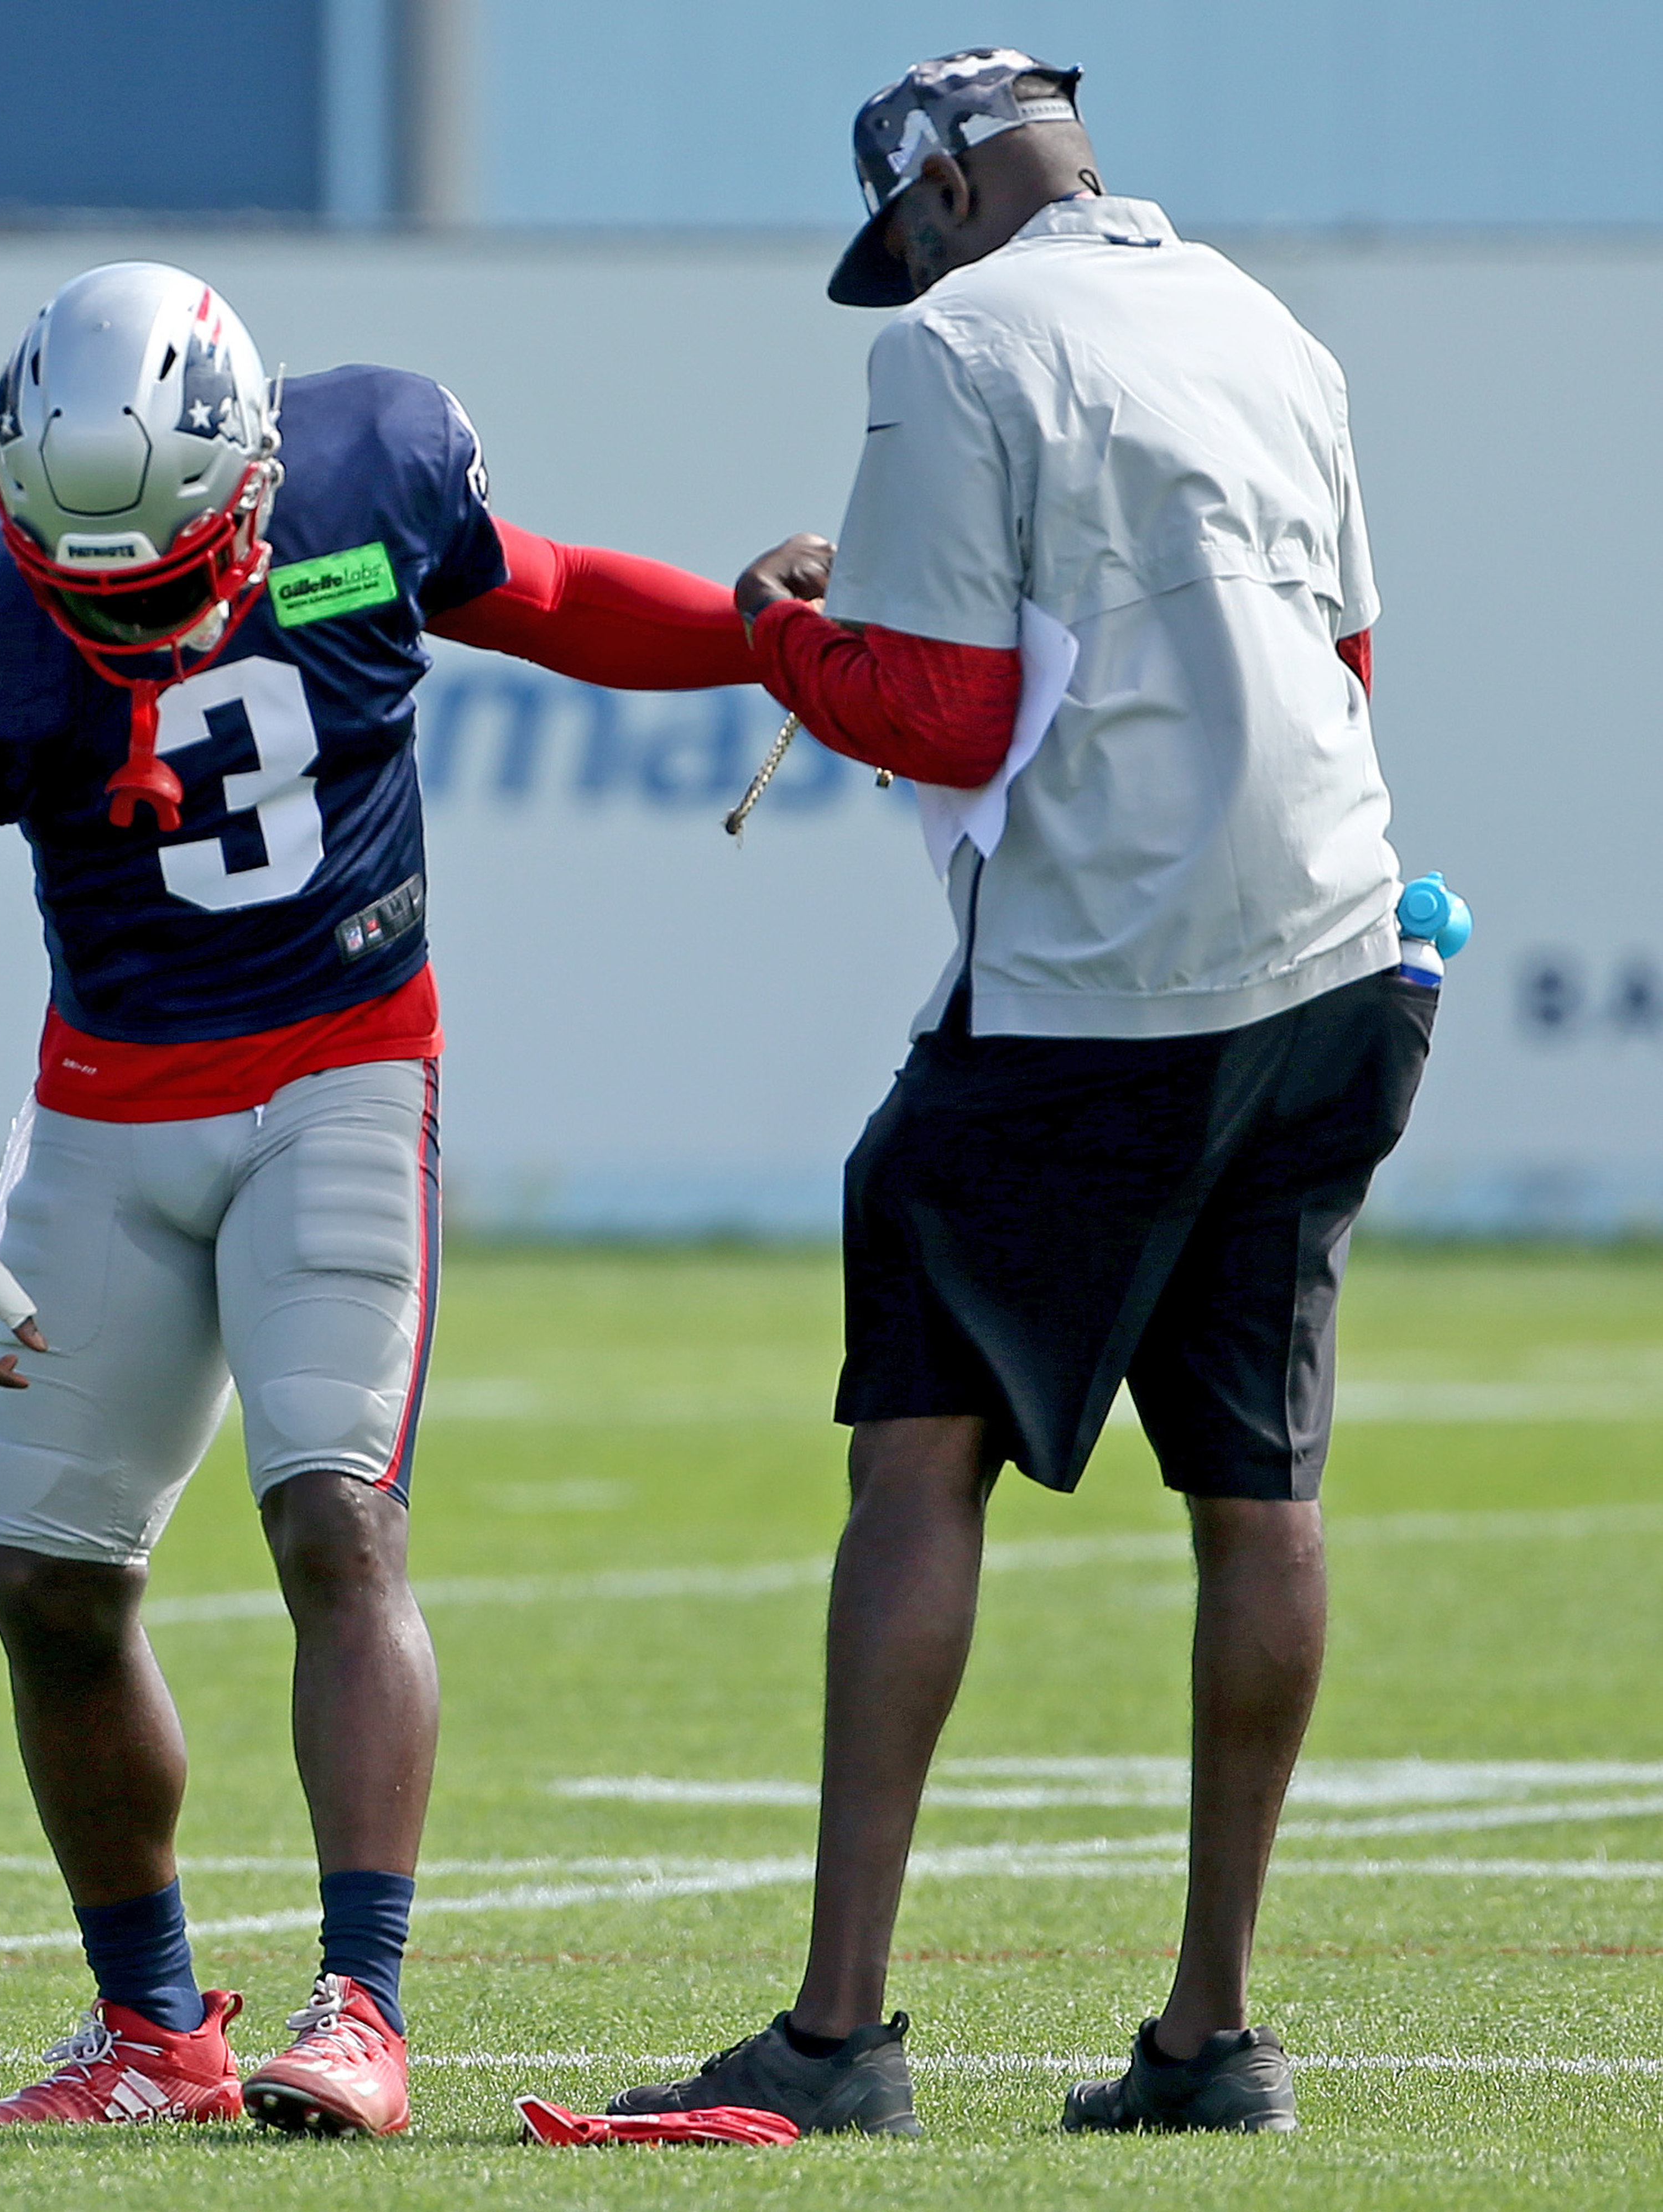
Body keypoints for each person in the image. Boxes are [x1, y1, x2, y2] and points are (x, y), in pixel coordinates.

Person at [0, 260, 757, 2133]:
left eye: (174, 566)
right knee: (47, 1589)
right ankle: (154, 2032)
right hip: (101, 1110)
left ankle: (362, 2010)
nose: (139, 614)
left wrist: (759, 636)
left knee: (338, 1522)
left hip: (344, 1067)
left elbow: (554, 596)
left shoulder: (373, 464)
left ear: (252, 474)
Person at [611, 50, 1430, 2138]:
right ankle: (1211, 2042)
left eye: (902, 242)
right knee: (1261, 1495)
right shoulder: (1265, 319)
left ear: (949, 199)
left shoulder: (959, 346)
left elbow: (946, 711)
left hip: (1097, 992)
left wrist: (773, 627)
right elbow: (1344, 669)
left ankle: (836, 2035)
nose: (903, 278)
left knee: (920, 1463)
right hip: (1339, 960)